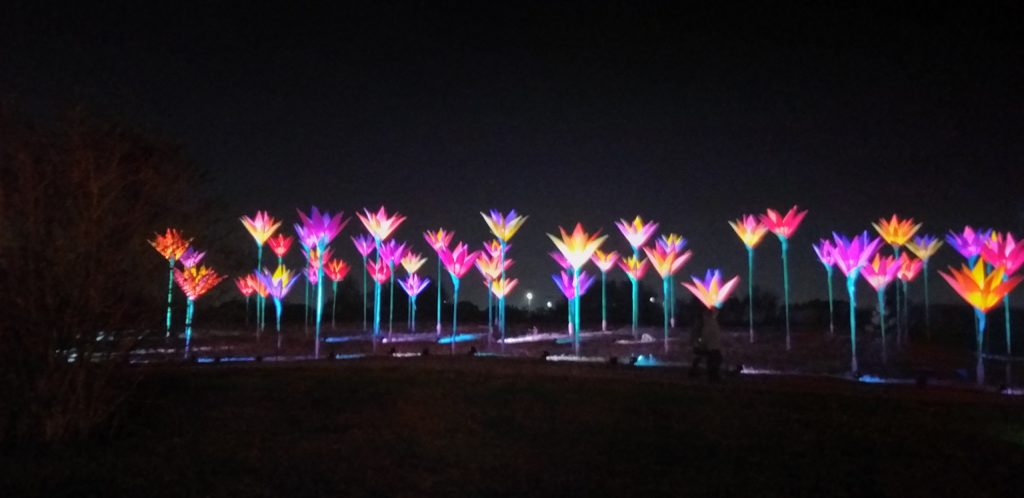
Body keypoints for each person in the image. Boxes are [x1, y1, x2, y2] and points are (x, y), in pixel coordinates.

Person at [690, 307, 723, 381]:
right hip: (709, 347)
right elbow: (705, 336)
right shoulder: (709, 324)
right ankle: (712, 374)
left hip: (709, 347)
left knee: (714, 358)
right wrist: (701, 345)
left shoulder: (708, 323)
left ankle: (711, 373)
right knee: (716, 358)